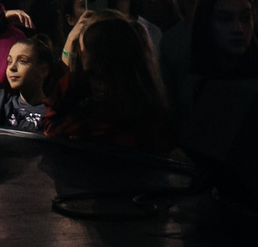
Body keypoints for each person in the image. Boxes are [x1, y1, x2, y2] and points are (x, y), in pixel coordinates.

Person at [45, 10, 176, 150]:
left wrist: (71, 81)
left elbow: (51, 126)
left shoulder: (94, 111)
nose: (80, 53)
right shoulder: (148, 101)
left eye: (83, 48)